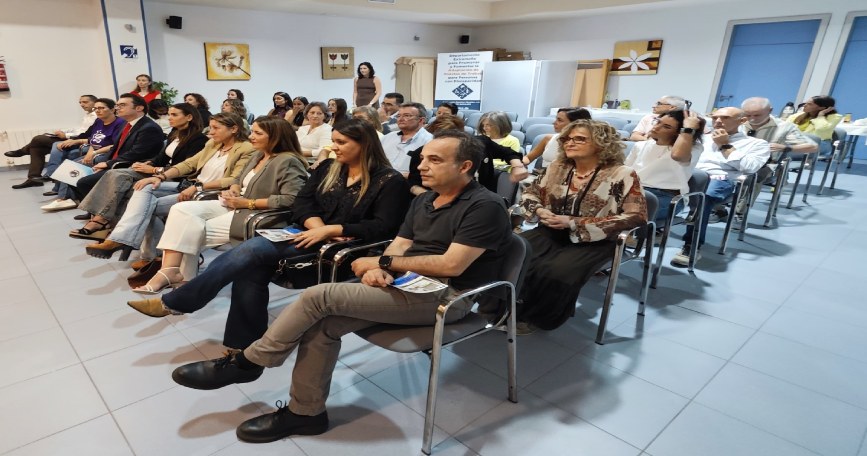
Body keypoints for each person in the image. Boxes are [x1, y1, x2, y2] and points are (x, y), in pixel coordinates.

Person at [156, 129, 511, 443]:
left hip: (450, 295)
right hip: (406, 284)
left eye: (435, 160)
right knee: (322, 326)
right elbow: (400, 244)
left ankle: (250, 362)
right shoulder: (424, 199)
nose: (422, 165)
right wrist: (383, 269)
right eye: (423, 158)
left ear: (465, 167)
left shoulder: (485, 206)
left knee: (319, 296)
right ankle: (306, 414)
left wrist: (383, 263)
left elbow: (452, 265)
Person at [127, 119, 411, 350]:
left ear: (365, 145)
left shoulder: (389, 180)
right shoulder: (328, 168)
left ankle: (178, 303)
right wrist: (315, 226)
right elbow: (302, 203)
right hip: (308, 235)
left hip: (344, 250)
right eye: (333, 141)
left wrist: (332, 229)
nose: (333, 148)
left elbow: (383, 226)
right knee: (252, 266)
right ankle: (242, 346)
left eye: (340, 143)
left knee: (252, 253)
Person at [132, 116, 308, 290]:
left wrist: (248, 203)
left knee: (186, 232)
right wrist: (233, 188)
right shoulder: (259, 155)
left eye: (257, 133)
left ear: (275, 136)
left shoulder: (287, 161)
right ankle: (173, 274)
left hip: (254, 213)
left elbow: (291, 199)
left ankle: (180, 281)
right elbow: (238, 179)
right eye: (252, 131)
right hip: (236, 204)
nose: (251, 136)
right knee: (180, 211)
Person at [517, 119, 647, 332]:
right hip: (550, 230)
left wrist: (574, 222)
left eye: (580, 139)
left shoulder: (622, 174)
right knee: (514, 254)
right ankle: (506, 307)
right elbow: (530, 192)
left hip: (595, 240)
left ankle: (538, 318)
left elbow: (636, 216)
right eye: (567, 139)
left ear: (601, 143)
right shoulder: (557, 168)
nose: (570, 143)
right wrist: (540, 211)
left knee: (555, 271)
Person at [85, 112, 255, 264]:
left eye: (216, 128)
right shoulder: (214, 144)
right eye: (210, 127)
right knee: (144, 188)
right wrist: (159, 176)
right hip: (189, 185)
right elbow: (189, 163)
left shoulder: (246, 149)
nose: (210, 132)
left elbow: (234, 179)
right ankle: (140, 248)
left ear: (233, 129)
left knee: (144, 207)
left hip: (209, 192)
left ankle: (144, 252)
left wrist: (197, 186)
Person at [70, 103, 207, 241]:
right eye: (169, 114)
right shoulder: (175, 133)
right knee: (118, 179)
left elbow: (188, 167)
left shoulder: (199, 139)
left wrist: (154, 169)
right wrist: (149, 163)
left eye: (174, 115)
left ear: (189, 117)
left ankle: (100, 221)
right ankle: (105, 223)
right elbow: (162, 157)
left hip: (173, 177)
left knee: (118, 178)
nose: (169, 118)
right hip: (159, 171)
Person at [669, 107, 770, 267]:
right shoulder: (703, 137)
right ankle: (651, 230)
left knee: (704, 197)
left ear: (742, 121)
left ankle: (692, 245)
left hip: (720, 178)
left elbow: (749, 168)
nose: (718, 121)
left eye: (725, 118)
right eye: (715, 117)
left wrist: (725, 145)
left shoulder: (756, 144)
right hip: (689, 174)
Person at [39, 96, 140, 212]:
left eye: (101, 108)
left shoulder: (120, 123)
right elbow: (93, 140)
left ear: (112, 110)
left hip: (108, 152)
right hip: (95, 150)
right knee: (70, 159)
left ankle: (64, 198)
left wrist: (94, 153)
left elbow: (115, 145)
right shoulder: (98, 121)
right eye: (95, 108)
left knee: (73, 165)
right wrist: (90, 152)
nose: (97, 111)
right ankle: (64, 194)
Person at [407, 115, 526, 195]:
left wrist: (517, 166)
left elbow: (509, 153)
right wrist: (430, 198)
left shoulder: (480, 143)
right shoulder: (421, 153)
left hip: (482, 197)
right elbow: (413, 183)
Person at [737, 97, 817, 213]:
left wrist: (786, 147)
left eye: (757, 115)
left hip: (766, 164)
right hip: (734, 159)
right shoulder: (738, 123)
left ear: (770, 111)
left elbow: (812, 147)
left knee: (753, 177)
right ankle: (717, 209)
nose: (752, 119)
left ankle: (739, 213)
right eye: (747, 115)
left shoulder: (784, 127)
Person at [625, 110, 706, 224]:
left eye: (666, 127)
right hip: (635, 191)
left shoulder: (693, 148)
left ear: (679, 132)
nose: (656, 127)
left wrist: (688, 128)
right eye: (657, 122)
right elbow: (626, 171)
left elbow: (677, 155)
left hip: (666, 197)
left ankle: (629, 237)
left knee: (627, 211)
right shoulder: (640, 145)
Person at [7, 95, 97, 188]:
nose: (82, 105)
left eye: (85, 102)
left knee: (38, 139)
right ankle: (33, 178)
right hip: (75, 137)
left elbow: (88, 134)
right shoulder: (88, 115)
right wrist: (64, 131)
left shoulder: (97, 116)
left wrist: (66, 135)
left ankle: (23, 151)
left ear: (95, 102)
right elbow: (81, 129)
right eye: (80, 102)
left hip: (77, 140)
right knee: (37, 148)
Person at [522, 107, 591, 168]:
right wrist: (516, 163)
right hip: (543, 176)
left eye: (560, 120)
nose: (554, 123)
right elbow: (528, 158)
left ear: (574, 123)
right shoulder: (548, 138)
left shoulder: (585, 145)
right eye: (556, 119)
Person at [380, 102, 432, 175]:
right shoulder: (387, 137)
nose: (400, 119)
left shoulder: (430, 141)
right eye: (398, 116)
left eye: (407, 116)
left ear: (421, 120)